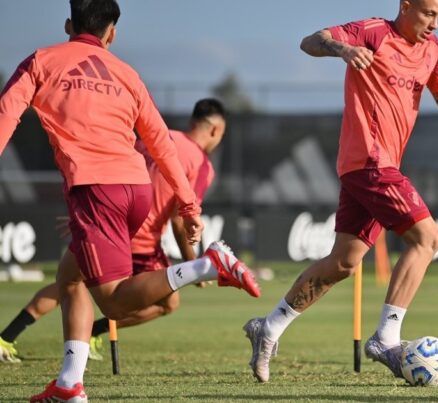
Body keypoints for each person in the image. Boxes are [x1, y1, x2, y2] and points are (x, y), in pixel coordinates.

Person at [0, 2, 260, 401]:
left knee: (116, 306)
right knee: (70, 279)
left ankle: (207, 266)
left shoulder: (41, 60)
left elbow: (6, 114)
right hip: (135, 189)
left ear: (69, 24)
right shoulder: (127, 74)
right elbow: (161, 145)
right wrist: (190, 207)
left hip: (96, 189)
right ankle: (69, 383)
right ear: (112, 34)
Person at [243, 0, 438, 382]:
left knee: (344, 263)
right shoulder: (374, 32)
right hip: (371, 162)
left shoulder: (432, 50)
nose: (435, 24)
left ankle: (270, 327)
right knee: (427, 239)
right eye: (429, 14)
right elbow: (311, 41)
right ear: (406, 5)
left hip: (373, 168)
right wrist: (343, 50)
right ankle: (386, 338)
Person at [0, 98, 230, 364]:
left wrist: (88, 212)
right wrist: (193, 265)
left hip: (108, 220)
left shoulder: (156, 139)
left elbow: (113, 172)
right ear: (215, 131)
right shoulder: (201, 165)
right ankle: (96, 332)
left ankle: (6, 336)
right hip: (141, 240)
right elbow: (181, 219)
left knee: (70, 282)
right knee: (167, 303)